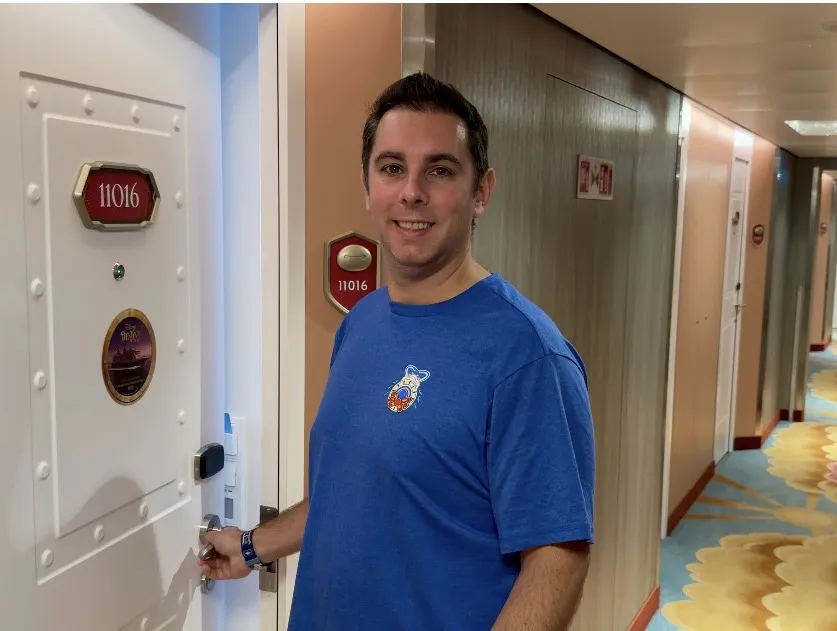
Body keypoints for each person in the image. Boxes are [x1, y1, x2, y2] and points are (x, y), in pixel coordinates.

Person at [200, 72, 596, 630]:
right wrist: (250, 547)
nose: (412, 191)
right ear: (368, 188)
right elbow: (351, 492)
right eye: (391, 168)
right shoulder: (361, 323)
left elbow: (558, 559)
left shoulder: (528, 357)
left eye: (440, 170)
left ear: (481, 192)